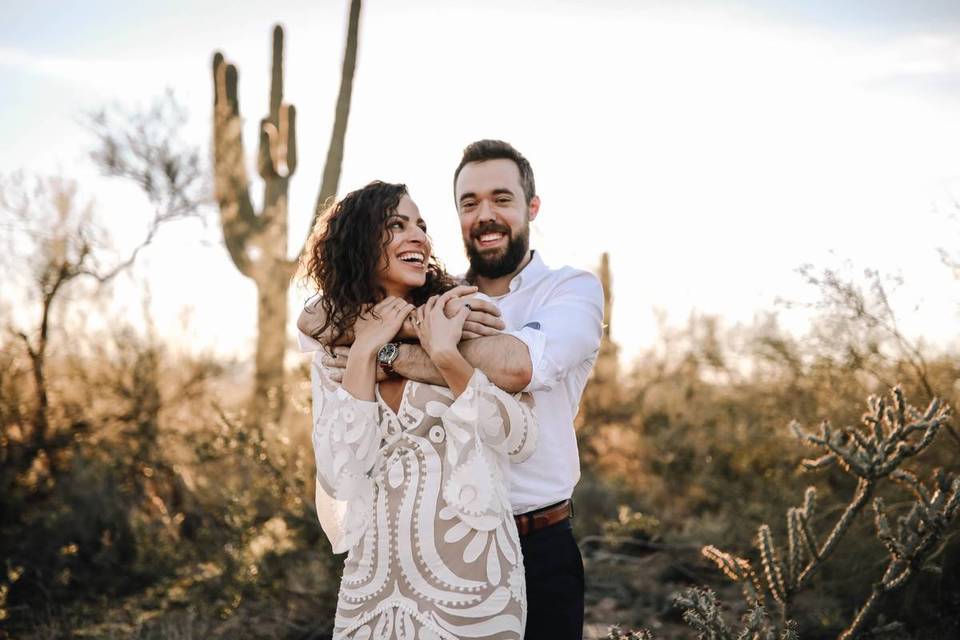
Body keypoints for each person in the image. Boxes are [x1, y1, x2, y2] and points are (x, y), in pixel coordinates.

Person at [305, 141, 604, 640]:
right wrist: (397, 325)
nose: (485, 214)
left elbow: (516, 366)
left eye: (502, 198)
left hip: (535, 540)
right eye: (469, 203)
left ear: (531, 206)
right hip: (417, 551)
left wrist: (393, 351)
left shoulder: (567, 290)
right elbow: (313, 318)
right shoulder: (437, 296)